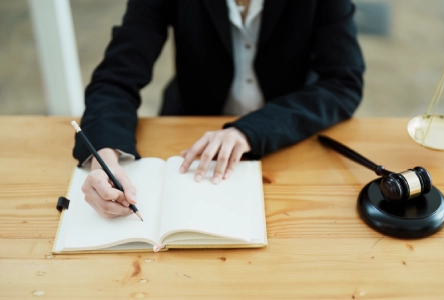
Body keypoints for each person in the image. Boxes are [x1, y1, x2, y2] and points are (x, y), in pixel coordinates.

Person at [73, 0, 365, 218]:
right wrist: (104, 156)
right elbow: (116, 75)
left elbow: (342, 82)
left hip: (290, 131)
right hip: (189, 128)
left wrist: (249, 131)